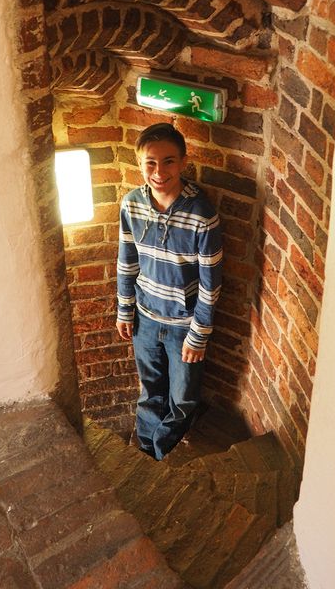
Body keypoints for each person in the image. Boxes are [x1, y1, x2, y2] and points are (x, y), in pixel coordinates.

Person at [116, 122, 223, 460]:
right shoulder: (131, 205)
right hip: (145, 320)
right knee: (150, 392)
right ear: (139, 163)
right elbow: (127, 262)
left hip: (183, 326)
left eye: (168, 161)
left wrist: (199, 334)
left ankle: (165, 452)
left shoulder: (202, 215)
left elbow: (210, 283)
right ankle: (146, 452)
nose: (159, 171)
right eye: (150, 162)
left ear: (183, 162)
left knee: (183, 397)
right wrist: (125, 309)